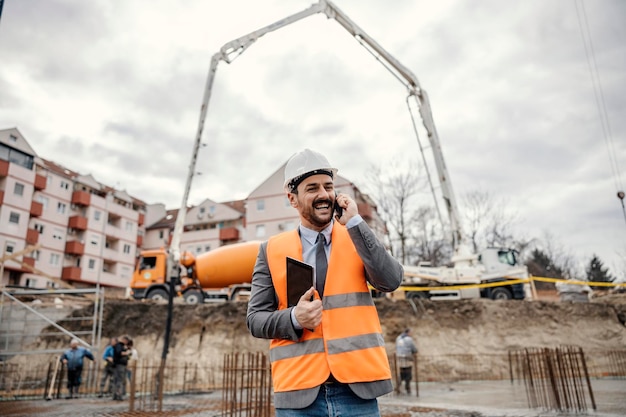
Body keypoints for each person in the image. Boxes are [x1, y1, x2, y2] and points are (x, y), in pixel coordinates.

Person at [247, 149, 403, 416]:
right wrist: (295, 318)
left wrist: (355, 222)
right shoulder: (271, 250)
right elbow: (255, 319)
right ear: (292, 199)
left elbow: (390, 281)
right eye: (312, 188)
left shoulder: (357, 236)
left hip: (358, 390)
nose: (324, 194)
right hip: (299, 392)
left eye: (328, 186)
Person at [395, 328, 418, 394]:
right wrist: (415, 351)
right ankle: (407, 388)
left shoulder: (398, 338)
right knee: (408, 374)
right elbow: (413, 348)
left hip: (399, 359)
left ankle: (398, 386)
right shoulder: (408, 339)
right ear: (408, 332)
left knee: (401, 373)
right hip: (407, 359)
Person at [111, 335, 131, 401]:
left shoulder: (119, 346)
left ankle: (115, 395)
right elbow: (119, 353)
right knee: (119, 380)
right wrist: (126, 353)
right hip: (120, 365)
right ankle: (118, 395)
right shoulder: (119, 346)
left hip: (118, 365)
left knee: (116, 380)